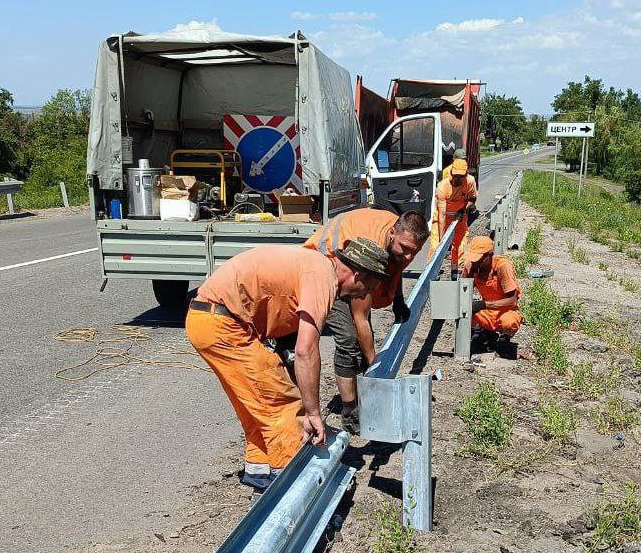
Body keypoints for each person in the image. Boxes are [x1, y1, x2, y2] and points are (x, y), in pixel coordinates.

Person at [185, 238, 390, 491]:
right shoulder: (323, 277)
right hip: (224, 325)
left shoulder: (315, 266)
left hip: (209, 320)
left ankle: (259, 472)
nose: (361, 295)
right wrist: (313, 412)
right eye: (365, 287)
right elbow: (306, 350)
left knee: (258, 407)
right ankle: (289, 488)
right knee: (282, 405)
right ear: (357, 273)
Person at [303, 209, 429, 433]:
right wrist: (376, 368)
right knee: (349, 339)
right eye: (406, 249)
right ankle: (350, 411)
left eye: (415, 252)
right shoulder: (374, 248)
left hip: (351, 269)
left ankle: (361, 389)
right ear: (392, 234)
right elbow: (360, 316)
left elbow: (395, 268)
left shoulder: (402, 240)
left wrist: (398, 299)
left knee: (361, 340)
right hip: (323, 267)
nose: (410, 256)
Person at [461, 236, 524, 355]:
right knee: (464, 313)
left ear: (490, 255)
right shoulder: (472, 267)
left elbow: (512, 301)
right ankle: (482, 333)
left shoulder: (502, 267)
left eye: (479, 259)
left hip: (505, 310)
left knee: (509, 321)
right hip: (487, 312)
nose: (476, 262)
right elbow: (462, 293)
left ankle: (504, 337)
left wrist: (483, 304)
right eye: (474, 259)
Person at [430, 158, 478, 276]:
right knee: (435, 246)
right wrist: (442, 240)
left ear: (465, 174)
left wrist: (463, 209)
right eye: (455, 176)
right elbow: (442, 214)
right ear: (451, 173)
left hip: (460, 217)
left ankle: (456, 272)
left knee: (460, 245)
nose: (457, 179)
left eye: (460, 176)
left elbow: (472, 198)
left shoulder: (470, 181)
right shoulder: (443, 186)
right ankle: (431, 273)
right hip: (443, 217)